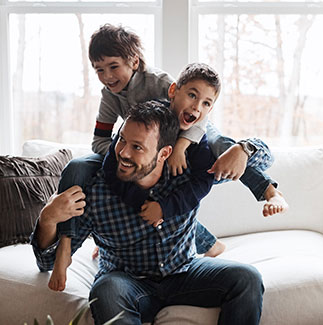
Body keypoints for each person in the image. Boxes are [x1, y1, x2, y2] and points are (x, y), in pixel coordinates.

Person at [49, 60, 288, 291]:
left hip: (180, 258)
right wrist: (143, 203)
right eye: (192, 96)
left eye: (206, 103)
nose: (196, 107)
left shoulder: (197, 139)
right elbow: (112, 169)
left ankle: (270, 192)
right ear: (173, 90)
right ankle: (66, 245)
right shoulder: (144, 126)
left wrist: (242, 149)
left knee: (224, 146)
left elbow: (202, 183)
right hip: (128, 263)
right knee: (78, 167)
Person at [31, 101, 265, 325]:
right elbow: (47, 262)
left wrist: (243, 150)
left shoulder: (186, 175)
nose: (122, 153)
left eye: (137, 147)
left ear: (164, 153)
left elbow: (264, 162)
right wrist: (48, 219)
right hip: (126, 281)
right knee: (106, 291)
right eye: (121, 140)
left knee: (247, 278)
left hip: (184, 271)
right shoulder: (96, 191)